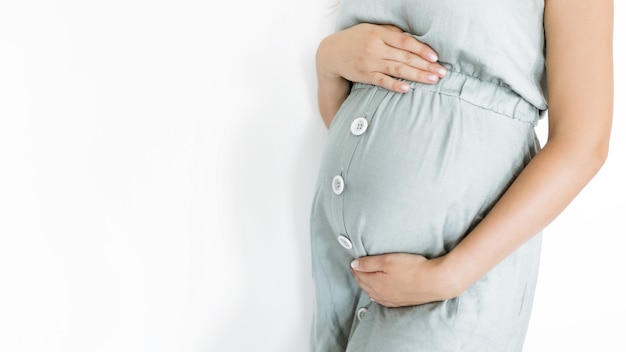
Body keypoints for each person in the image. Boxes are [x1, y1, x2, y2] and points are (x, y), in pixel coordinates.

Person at [309, 0, 613, 351]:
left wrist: (450, 275)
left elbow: (583, 145)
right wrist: (328, 63)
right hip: (342, 268)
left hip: (456, 273)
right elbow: (367, 119)